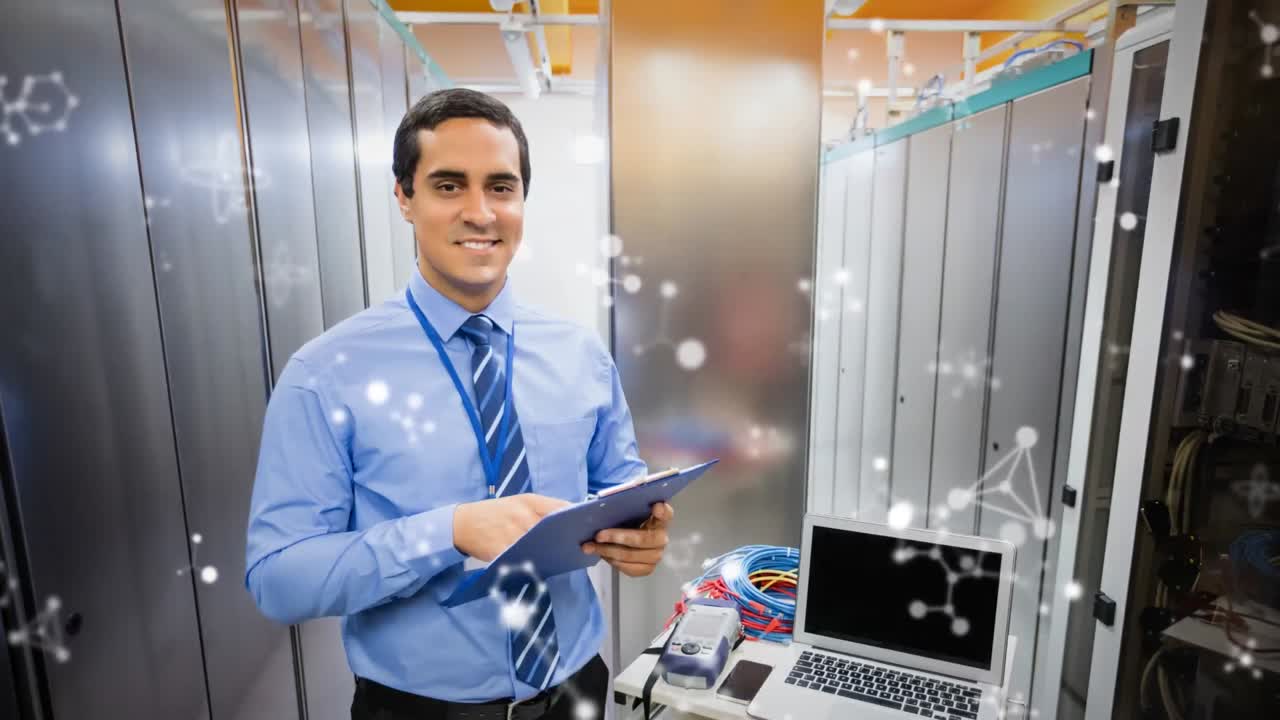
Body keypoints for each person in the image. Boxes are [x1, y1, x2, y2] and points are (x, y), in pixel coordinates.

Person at [244, 88, 672, 720]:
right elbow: (279, 579)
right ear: (404, 198)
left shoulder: (580, 355)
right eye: (449, 186)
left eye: (501, 187)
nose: (480, 212)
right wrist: (447, 532)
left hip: (576, 691)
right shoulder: (326, 374)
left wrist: (641, 539)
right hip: (419, 710)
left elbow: (619, 487)